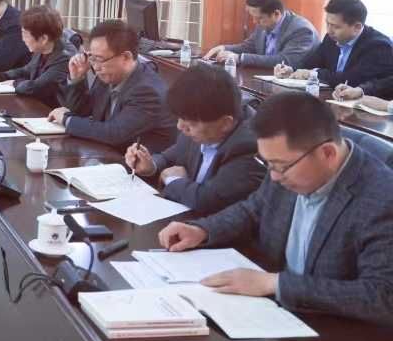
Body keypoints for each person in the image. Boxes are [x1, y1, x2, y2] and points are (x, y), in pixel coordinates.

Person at [157, 92, 393, 326]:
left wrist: (274, 283)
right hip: (270, 314)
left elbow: (382, 296)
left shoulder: (382, 198)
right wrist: (203, 230)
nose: (274, 177)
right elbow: (254, 210)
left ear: (327, 153)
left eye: (280, 167)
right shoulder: (289, 163)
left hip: (336, 332)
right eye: (267, 163)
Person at [124, 64, 264, 215]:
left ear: (225, 123)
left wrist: (173, 180)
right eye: (179, 118)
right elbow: (168, 157)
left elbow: (208, 201)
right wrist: (151, 166)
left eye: (190, 123)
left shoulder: (250, 147)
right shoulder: (199, 125)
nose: (180, 126)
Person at [48, 20, 177, 153]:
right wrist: (77, 79)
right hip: (107, 155)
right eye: (92, 58)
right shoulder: (108, 75)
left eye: (99, 59)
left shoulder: (147, 91)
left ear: (126, 57)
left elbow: (114, 133)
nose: (95, 67)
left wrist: (67, 120)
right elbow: (82, 112)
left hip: (136, 163)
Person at [274, 0, 393, 89]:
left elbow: (352, 80)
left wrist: (313, 74)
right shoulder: (331, 38)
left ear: (357, 27)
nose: (329, 30)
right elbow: (311, 64)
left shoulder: (378, 46)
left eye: (336, 26)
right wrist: (292, 70)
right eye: (327, 24)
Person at [0, 5, 73, 108]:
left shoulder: (64, 58)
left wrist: (15, 83)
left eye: (25, 35)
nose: (23, 39)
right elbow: (25, 70)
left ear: (43, 39)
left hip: (51, 112)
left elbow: (35, 88)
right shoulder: (42, 50)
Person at [203, 0, 319, 69]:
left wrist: (240, 58)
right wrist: (224, 48)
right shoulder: (264, 24)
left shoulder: (301, 30)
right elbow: (249, 46)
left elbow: (285, 61)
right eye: (253, 17)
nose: (255, 22)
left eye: (259, 18)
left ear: (276, 14)